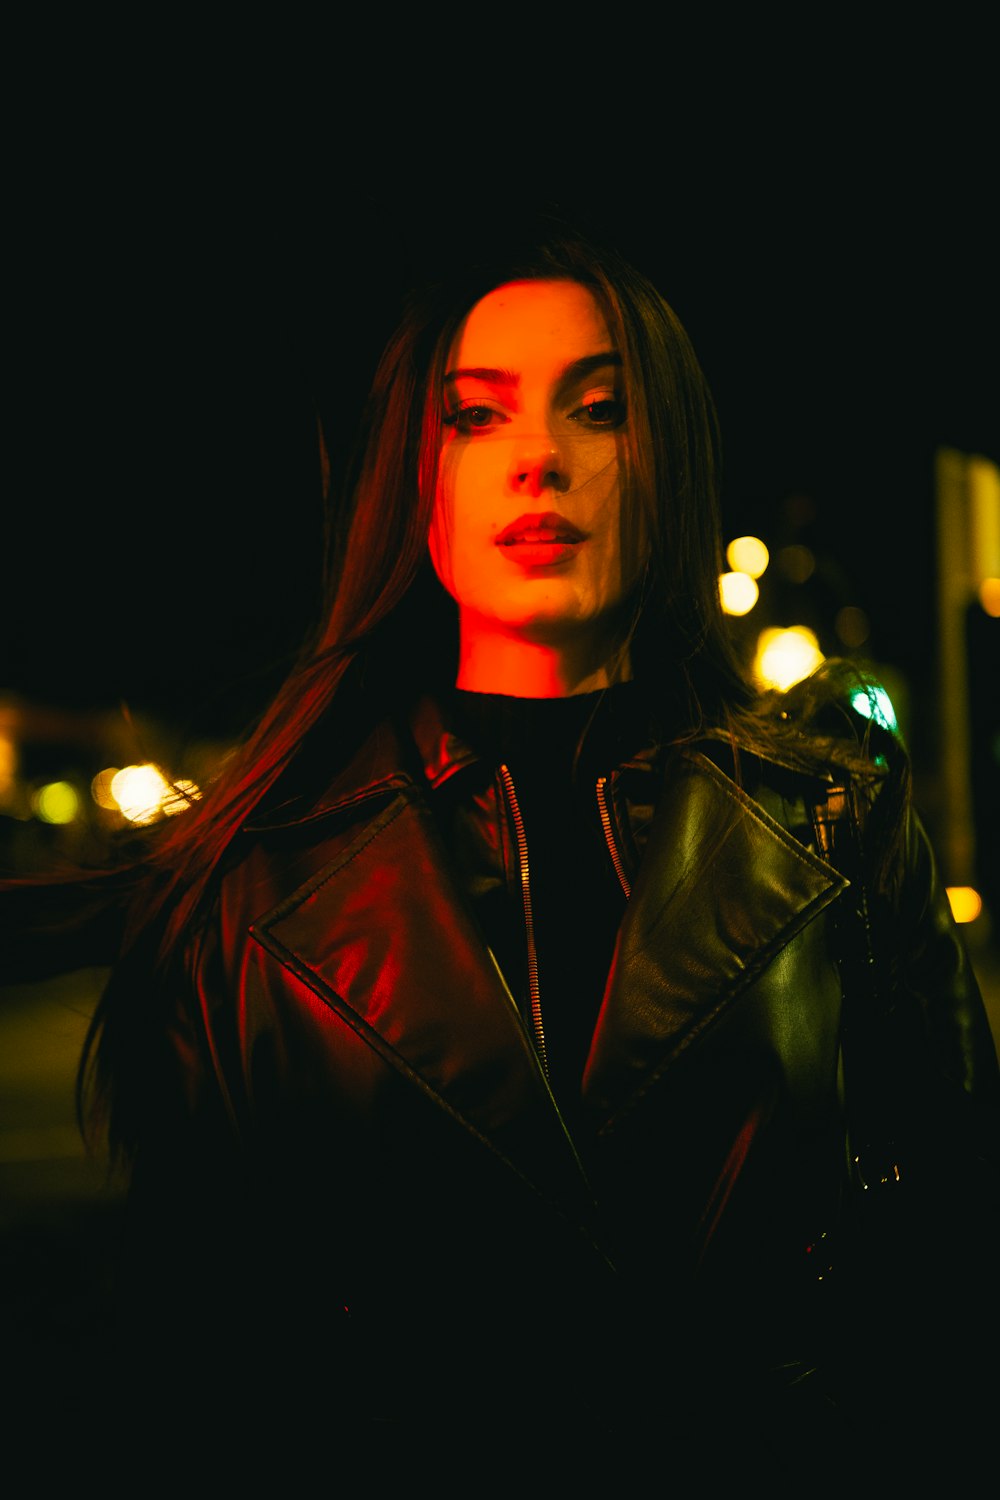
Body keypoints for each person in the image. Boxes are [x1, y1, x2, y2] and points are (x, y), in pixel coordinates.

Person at [4, 228, 999, 1474]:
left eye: (600, 409)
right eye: (477, 417)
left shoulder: (833, 825)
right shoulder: (253, 890)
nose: (540, 460)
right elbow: (204, 1367)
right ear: (416, 474)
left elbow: (952, 1266)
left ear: (670, 457)